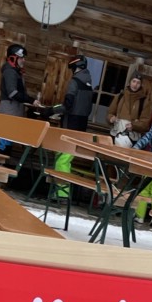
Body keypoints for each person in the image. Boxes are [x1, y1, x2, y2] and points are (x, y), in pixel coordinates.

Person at [52, 54, 94, 201]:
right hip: (81, 128)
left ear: (75, 67)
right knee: (64, 158)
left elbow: (67, 106)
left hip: (70, 126)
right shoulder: (89, 85)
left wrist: (51, 110)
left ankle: (62, 194)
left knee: (61, 160)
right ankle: (59, 191)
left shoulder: (75, 82)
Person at [107, 71, 149, 138]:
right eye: (134, 81)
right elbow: (110, 113)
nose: (135, 85)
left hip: (132, 137)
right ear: (129, 82)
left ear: (141, 85)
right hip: (116, 134)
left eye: (138, 83)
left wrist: (134, 126)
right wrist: (111, 118)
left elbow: (145, 123)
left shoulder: (144, 101)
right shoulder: (120, 96)